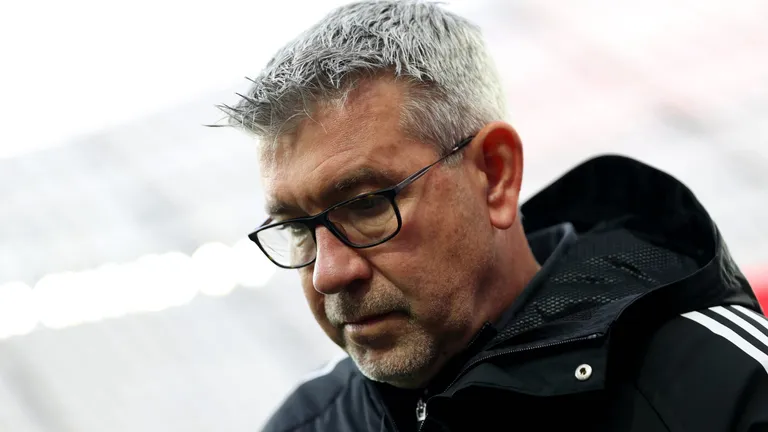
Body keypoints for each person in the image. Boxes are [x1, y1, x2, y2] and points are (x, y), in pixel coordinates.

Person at [220, 1, 768, 431]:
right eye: (297, 228)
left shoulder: (721, 386)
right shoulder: (307, 422)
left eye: (367, 204)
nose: (328, 274)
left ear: (495, 174)